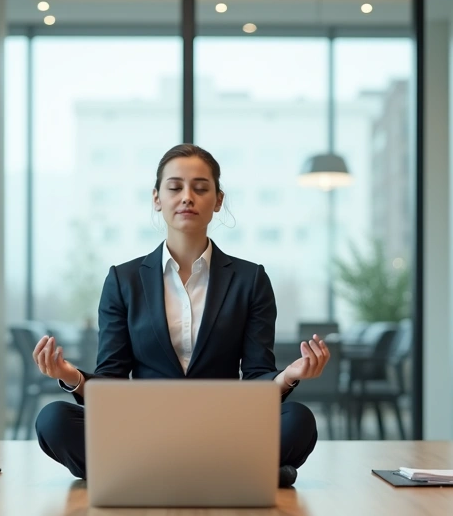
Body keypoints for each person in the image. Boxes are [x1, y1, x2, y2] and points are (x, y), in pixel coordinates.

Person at [31, 143, 330, 488]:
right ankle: (230, 474)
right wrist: (71, 376)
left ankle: (147, 474)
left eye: (200, 188)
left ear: (218, 201)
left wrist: (288, 375)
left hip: (224, 429)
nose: (187, 197)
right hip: (144, 430)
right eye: (175, 187)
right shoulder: (123, 280)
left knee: (298, 420)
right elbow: (112, 381)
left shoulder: (251, 280)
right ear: (157, 198)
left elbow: (256, 378)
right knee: (53, 419)